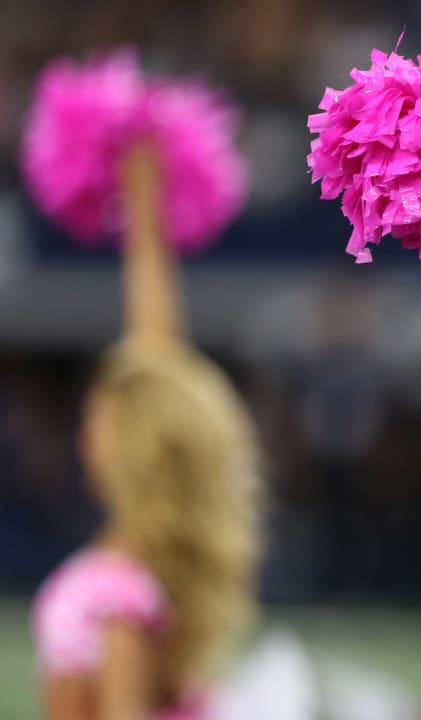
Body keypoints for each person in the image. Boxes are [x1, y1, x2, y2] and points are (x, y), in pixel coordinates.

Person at [32, 144, 262, 720]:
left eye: (95, 423)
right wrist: (142, 214)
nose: (83, 437)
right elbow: (157, 357)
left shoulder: (119, 599)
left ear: (131, 453)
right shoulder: (155, 561)